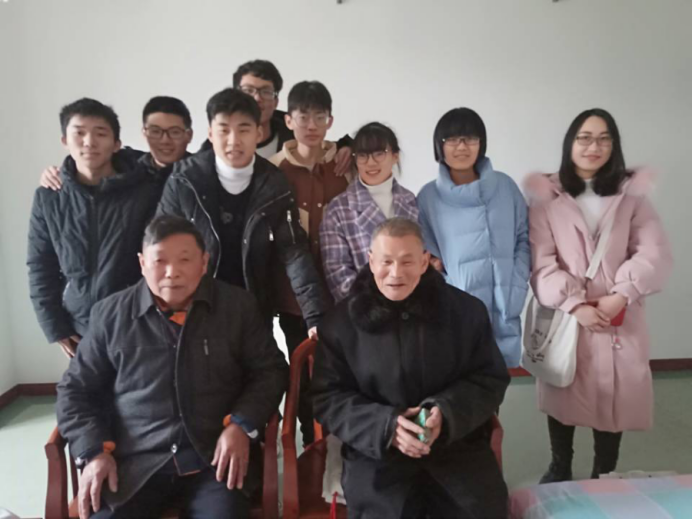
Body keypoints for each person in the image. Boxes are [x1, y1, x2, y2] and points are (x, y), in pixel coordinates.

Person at [57, 216, 289, 519]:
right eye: (160, 261)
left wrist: (241, 425)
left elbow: (270, 371)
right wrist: (93, 451)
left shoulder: (237, 307)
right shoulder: (110, 315)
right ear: (142, 263)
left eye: (185, 260)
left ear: (204, 263)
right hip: (136, 465)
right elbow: (75, 390)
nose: (172, 272)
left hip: (214, 460)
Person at [313, 218, 510, 519]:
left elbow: (489, 378)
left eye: (407, 261)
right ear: (371, 261)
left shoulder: (466, 312)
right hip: (378, 458)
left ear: (424, 262)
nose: (396, 273)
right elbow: (327, 398)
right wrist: (387, 427)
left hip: (457, 451)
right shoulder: (341, 323)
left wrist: (445, 413)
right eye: (386, 262)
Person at [524, 108, 673, 483]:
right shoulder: (546, 198)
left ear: (614, 146)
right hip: (568, 315)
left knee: (614, 397)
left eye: (604, 138)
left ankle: (604, 473)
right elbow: (541, 260)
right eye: (585, 138)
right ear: (570, 143)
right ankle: (560, 465)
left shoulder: (632, 197)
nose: (594, 146)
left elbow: (652, 251)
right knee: (562, 388)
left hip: (619, 315)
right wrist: (574, 304)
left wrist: (622, 294)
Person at [157, 88, 331, 335]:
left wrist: (315, 316)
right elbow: (160, 247)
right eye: (224, 130)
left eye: (243, 129)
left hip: (253, 311)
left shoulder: (274, 183)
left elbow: (293, 250)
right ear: (210, 133)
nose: (233, 140)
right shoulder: (184, 181)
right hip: (193, 311)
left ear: (258, 133)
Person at [27, 98, 160, 358]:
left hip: (137, 323)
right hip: (79, 328)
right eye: (79, 133)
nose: (89, 142)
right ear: (65, 140)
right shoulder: (49, 197)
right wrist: (55, 327)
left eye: (100, 133)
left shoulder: (143, 192)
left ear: (116, 144)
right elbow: (40, 266)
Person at [270, 80, 351, 445]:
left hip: (343, 293)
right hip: (294, 298)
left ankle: (342, 448)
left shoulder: (346, 166)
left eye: (320, 116)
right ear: (288, 120)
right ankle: (310, 447)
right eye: (303, 116)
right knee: (301, 374)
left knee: (344, 372)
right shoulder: (273, 171)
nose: (312, 125)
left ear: (331, 121)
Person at [417, 108, 530, 368]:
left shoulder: (505, 186)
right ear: (439, 145)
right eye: (452, 139)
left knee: (500, 379)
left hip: (506, 308)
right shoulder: (428, 198)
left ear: (481, 143)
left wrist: (516, 284)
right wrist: (452, 287)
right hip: (455, 313)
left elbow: (523, 240)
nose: (461, 147)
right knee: (461, 380)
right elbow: (428, 258)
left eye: (470, 138)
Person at [320, 123, 419, 302]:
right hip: (364, 309)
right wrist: (375, 306)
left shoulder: (411, 201)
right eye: (363, 155)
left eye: (379, 153)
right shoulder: (339, 209)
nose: (371, 162)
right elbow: (337, 273)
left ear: (395, 156)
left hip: (414, 304)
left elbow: (420, 259)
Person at [39, 96, 193, 191]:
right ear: (144, 133)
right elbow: (90, 162)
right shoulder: (130, 168)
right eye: (155, 131)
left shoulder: (200, 172)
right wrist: (58, 174)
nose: (165, 140)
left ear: (189, 135)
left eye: (174, 132)